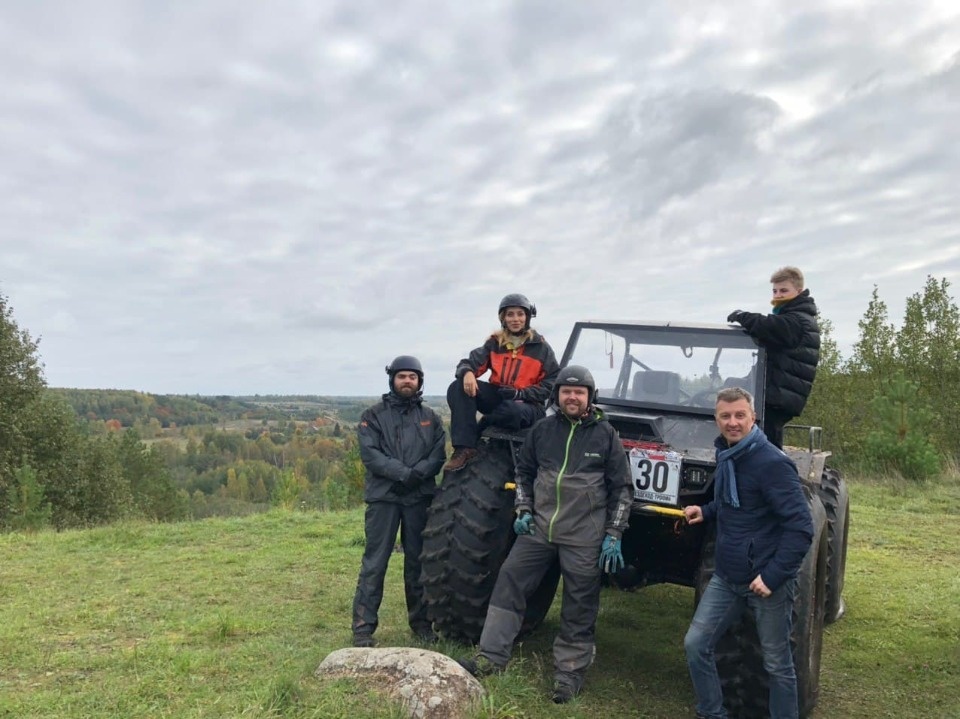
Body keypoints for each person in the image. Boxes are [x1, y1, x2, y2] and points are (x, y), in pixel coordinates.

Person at [458, 365, 633, 704]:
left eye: (579, 392)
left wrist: (614, 532)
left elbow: (622, 488)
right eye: (566, 391)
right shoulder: (542, 430)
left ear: (589, 397)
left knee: (580, 603)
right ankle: (491, 656)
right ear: (557, 396)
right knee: (509, 580)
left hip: (585, 535)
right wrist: (523, 509)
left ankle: (568, 674)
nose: (572, 397)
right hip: (539, 529)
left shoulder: (606, 435)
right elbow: (524, 473)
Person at [683, 387, 814, 719]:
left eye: (740, 415)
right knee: (696, 645)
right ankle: (712, 713)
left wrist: (771, 576)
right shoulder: (728, 455)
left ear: (753, 417)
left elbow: (801, 528)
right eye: (725, 416)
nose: (733, 422)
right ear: (716, 420)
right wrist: (707, 511)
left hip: (767, 581)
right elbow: (735, 503)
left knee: (776, 663)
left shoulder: (772, 463)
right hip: (727, 577)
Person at [351, 355, 447, 648]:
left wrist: (417, 475)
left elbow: (438, 454)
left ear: (419, 381)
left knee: (418, 563)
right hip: (384, 498)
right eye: (402, 376)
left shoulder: (431, 418)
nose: (407, 381)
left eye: (413, 377)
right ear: (392, 379)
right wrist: (405, 474)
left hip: (419, 499)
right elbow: (371, 455)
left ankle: (422, 625)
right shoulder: (373, 415)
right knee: (375, 562)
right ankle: (363, 628)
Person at [443, 293, 560, 472]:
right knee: (457, 386)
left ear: (527, 317)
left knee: (512, 411)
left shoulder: (541, 348)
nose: (515, 319)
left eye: (520, 314)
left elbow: (552, 384)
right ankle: (464, 448)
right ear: (503, 318)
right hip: (501, 395)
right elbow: (470, 362)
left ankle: (485, 423)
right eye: (510, 314)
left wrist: (521, 394)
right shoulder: (495, 343)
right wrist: (467, 372)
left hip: (529, 404)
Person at [726, 266, 820, 449]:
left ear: (798, 292)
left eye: (784, 290)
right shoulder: (794, 317)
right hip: (776, 393)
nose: (778, 295)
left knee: (765, 448)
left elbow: (769, 325)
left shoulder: (797, 320)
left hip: (779, 396)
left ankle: (771, 477)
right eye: (775, 291)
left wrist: (742, 316)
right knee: (763, 444)